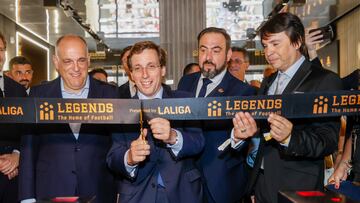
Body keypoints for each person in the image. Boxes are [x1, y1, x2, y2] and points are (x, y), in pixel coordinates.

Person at [232, 13, 343, 203]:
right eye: (266, 46)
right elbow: (262, 133)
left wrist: (290, 137)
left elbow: (328, 140)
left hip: (298, 186)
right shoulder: (268, 81)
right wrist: (249, 130)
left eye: (275, 44)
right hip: (262, 185)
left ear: (297, 41)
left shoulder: (324, 80)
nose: (268, 52)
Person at [19, 35, 117, 203]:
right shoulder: (38, 95)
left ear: (88, 61)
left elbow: (118, 146)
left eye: (81, 60)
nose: (76, 68)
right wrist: (27, 197)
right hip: (51, 190)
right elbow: (29, 149)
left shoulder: (110, 94)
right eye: (68, 61)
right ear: (56, 62)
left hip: (99, 191)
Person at [107, 41, 204, 203]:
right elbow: (112, 157)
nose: (144, 74)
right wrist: (129, 157)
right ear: (131, 74)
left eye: (151, 66)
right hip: (137, 196)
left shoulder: (184, 100)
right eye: (138, 68)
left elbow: (199, 142)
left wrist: (173, 137)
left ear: (163, 69)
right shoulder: (120, 108)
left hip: (183, 193)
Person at [177, 27, 256, 203]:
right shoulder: (185, 82)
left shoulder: (244, 92)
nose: (208, 57)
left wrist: (238, 138)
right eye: (203, 50)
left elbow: (243, 143)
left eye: (216, 50)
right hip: (185, 182)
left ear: (228, 55)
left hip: (222, 184)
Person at [0, 32, 27, 203]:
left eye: (1, 49)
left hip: (12, 179)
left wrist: (17, 156)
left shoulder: (17, 90)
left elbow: (27, 130)